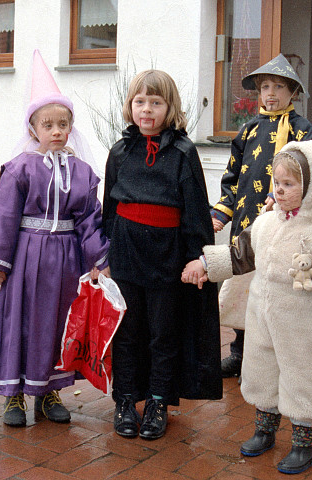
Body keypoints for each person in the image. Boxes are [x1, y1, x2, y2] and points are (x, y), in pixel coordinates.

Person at [183, 140, 312, 474]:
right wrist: (206, 264)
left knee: (304, 378)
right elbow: (241, 254)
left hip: (302, 326)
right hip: (263, 317)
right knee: (263, 373)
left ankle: (303, 443)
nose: (279, 190)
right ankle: (265, 430)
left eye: (289, 184)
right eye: (277, 183)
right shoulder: (266, 223)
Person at [0, 50, 110, 427]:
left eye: (63, 124)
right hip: (25, 258)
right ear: (33, 128)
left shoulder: (82, 173)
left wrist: (100, 260)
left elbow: (88, 219)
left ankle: (49, 391)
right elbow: (3, 215)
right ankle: (14, 396)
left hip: (66, 261)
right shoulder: (20, 168)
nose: (56, 131)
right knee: (20, 320)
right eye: (47, 124)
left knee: (57, 322)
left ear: (71, 127)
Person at [102, 69, 222, 441]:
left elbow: (195, 210)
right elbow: (109, 207)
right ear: (130, 106)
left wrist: (197, 258)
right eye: (140, 102)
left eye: (156, 102)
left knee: (163, 332)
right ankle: (125, 399)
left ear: (170, 108)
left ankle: (157, 400)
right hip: (125, 253)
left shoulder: (184, 152)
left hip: (167, 258)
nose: (147, 109)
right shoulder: (120, 151)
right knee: (127, 330)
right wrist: (104, 254)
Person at [211, 54, 312, 378]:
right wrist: (222, 212)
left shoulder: (303, 131)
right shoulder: (247, 131)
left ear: (293, 92)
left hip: (285, 226)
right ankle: (240, 353)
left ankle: (275, 361)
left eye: (279, 86)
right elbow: (232, 177)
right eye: (266, 87)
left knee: (279, 291)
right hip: (247, 223)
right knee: (244, 290)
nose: (271, 93)